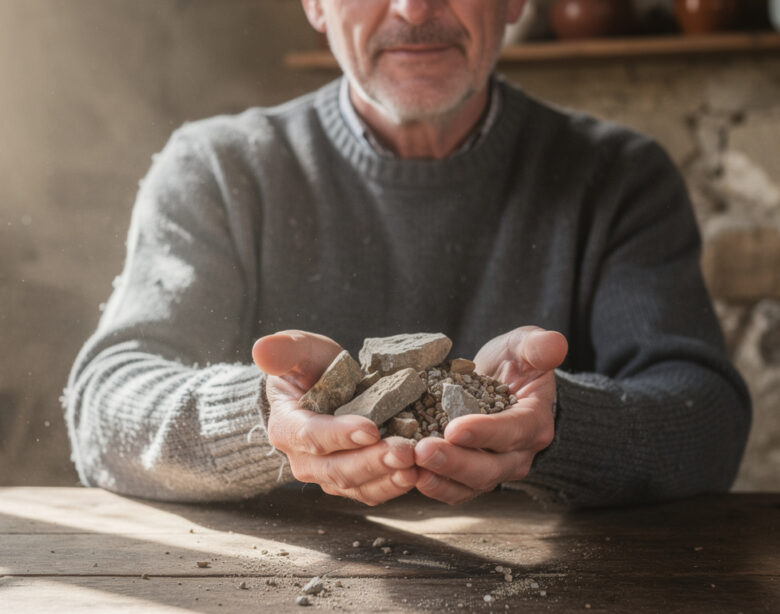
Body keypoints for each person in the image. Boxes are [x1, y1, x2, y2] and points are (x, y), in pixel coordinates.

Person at [64, 0, 751, 507]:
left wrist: (555, 425)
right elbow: (104, 405)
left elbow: (708, 422)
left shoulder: (619, 176)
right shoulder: (216, 169)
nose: (415, 9)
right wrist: (263, 420)